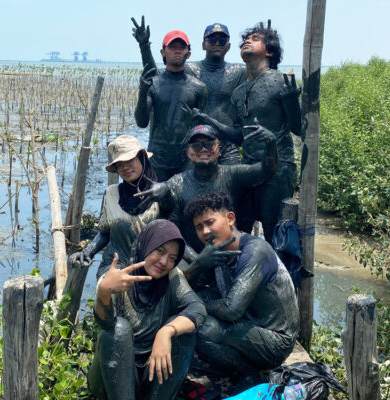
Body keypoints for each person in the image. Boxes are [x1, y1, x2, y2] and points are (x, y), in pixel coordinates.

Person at [186, 21, 302, 241]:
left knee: (274, 231)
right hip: (249, 169)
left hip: (278, 169)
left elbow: (298, 129)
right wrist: (208, 120)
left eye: (255, 39)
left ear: (269, 51)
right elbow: (239, 136)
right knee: (239, 230)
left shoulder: (279, 81)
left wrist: (291, 101)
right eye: (245, 40)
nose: (247, 41)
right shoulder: (239, 91)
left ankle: (277, 273)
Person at [182, 192, 299, 377]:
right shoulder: (219, 251)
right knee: (194, 301)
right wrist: (198, 265)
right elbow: (190, 289)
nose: (205, 232)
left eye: (210, 223)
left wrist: (197, 306)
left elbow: (231, 309)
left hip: (275, 340)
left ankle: (250, 375)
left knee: (205, 329)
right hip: (249, 324)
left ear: (230, 218)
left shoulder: (254, 251)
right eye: (199, 227)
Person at [88, 220, 206, 400]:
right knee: (118, 329)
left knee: (184, 331)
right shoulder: (121, 276)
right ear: (147, 244)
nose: (164, 262)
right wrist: (104, 291)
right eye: (160, 251)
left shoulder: (172, 277)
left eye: (173, 258)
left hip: (151, 374)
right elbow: (105, 323)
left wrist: (166, 332)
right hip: (110, 381)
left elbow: (197, 308)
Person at [135, 124, 277, 255]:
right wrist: (164, 190)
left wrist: (270, 143)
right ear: (188, 153)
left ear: (218, 148)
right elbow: (171, 231)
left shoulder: (233, 174)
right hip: (192, 257)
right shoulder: (177, 183)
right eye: (197, 146)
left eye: (209, 144)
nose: (203, 149)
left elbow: (266, 171)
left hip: (229, 253)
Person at [132, 17, 246, 165]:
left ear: (229, 46)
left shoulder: (240, 72)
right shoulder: (189, 69)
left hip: (227, 145)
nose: (217, 43)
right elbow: (155, 76)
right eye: (212, 40)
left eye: (222, 40)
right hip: (198, 145)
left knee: (228, 185)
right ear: (203, 44)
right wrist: (144, 46)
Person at [68, 135, 161, 280]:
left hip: (154, 267)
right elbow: (105, 232)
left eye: (129, 160)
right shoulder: (111, 193)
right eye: (119, 164)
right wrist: (87, 252)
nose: (125, 167)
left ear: (142, 158)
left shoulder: (162, 193)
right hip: (115, 266)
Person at [134, 29, 208, 181]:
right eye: (172, 47)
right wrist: (142, 92)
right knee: (156, 204)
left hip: (186, 160)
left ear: (188, 53)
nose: (177, 51)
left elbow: (201, 129)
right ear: (163, 52)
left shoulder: (199, 88)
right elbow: (141, 123)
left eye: (182, 48)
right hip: (156, 160)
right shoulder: (153, 84)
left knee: (185, 204)